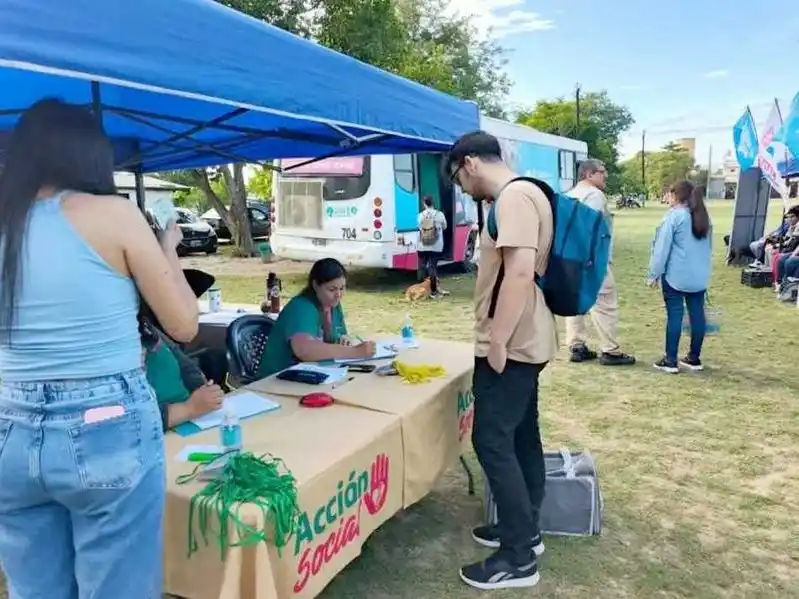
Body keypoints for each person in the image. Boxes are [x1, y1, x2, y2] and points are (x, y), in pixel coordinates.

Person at [0, 99, 198, 597]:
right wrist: (168, 249)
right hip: (105, 425)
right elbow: (184, 324)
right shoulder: (114, 214)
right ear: (91, 156)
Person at [446, 131, 555, 590]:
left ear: (469, 162)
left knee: (491, 441)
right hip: (528, 340)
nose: (462, 188)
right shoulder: (527, 193)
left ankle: (518, 558)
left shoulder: (513, 198)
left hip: (513, 345)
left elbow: (519, 273)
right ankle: (524, 531)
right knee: (521, 435)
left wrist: (497, 341)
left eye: (457, 177)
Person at [564, 159, 636, 366]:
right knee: (605, 304)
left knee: (575, 303)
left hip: (572, 258)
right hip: (592, 259)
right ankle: (611, 350)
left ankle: (577, 346)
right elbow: (591, 228)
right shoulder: (594, 195)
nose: (606, 176)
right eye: (602, 172)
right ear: (589, 174)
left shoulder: (570, 194)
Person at [257, 258, 376, 377]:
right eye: (332, 289)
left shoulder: (333, 305)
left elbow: (337, 338)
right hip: (276, 379)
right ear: (315, 285)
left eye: (342, 288)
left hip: (313, 374)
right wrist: (355, 352)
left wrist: (344, 339)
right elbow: (304, 350)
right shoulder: (301, 307)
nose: (338, 295)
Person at [647, 180, 712, 373]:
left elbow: (661, 249)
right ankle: (694, 357)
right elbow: (708, 249)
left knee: (674, 315)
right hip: (699, 278)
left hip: (676, 277)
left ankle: (670, 360)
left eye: (669, 194)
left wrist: (654, 273)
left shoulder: (675, 217)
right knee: (697, 315)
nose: (667, 198)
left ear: (676, 195)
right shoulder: (703, 218)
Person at [141, 316, 224, 430]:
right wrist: (189, 408)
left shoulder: (147, 328)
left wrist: (204, 391)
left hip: (194, 419)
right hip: (158, 432)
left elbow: (184, 363)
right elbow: (129, 420)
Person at [417, 195, 447, 298]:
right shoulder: (439, 215)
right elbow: (444, 227)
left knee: (422, 265)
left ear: (424, 204)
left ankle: (421, 288)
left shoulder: (420, 215)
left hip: (422, 245)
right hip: (436, 245)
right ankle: (434, 292)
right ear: (433, 203)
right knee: (432, 267)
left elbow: (419, 227)